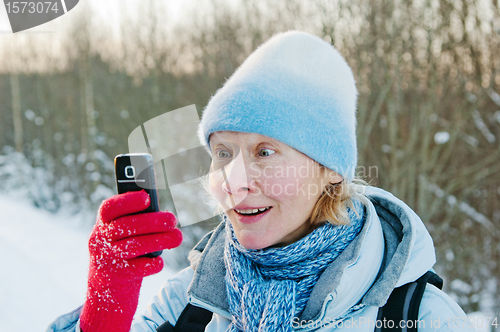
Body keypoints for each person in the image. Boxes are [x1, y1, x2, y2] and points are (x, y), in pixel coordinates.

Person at [47, 31, 474, 332]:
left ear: (331, 169)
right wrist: (107, 311)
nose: (235, 182)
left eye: (264, 153)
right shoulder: (194, 302)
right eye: (223, 153)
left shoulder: (422, 319)